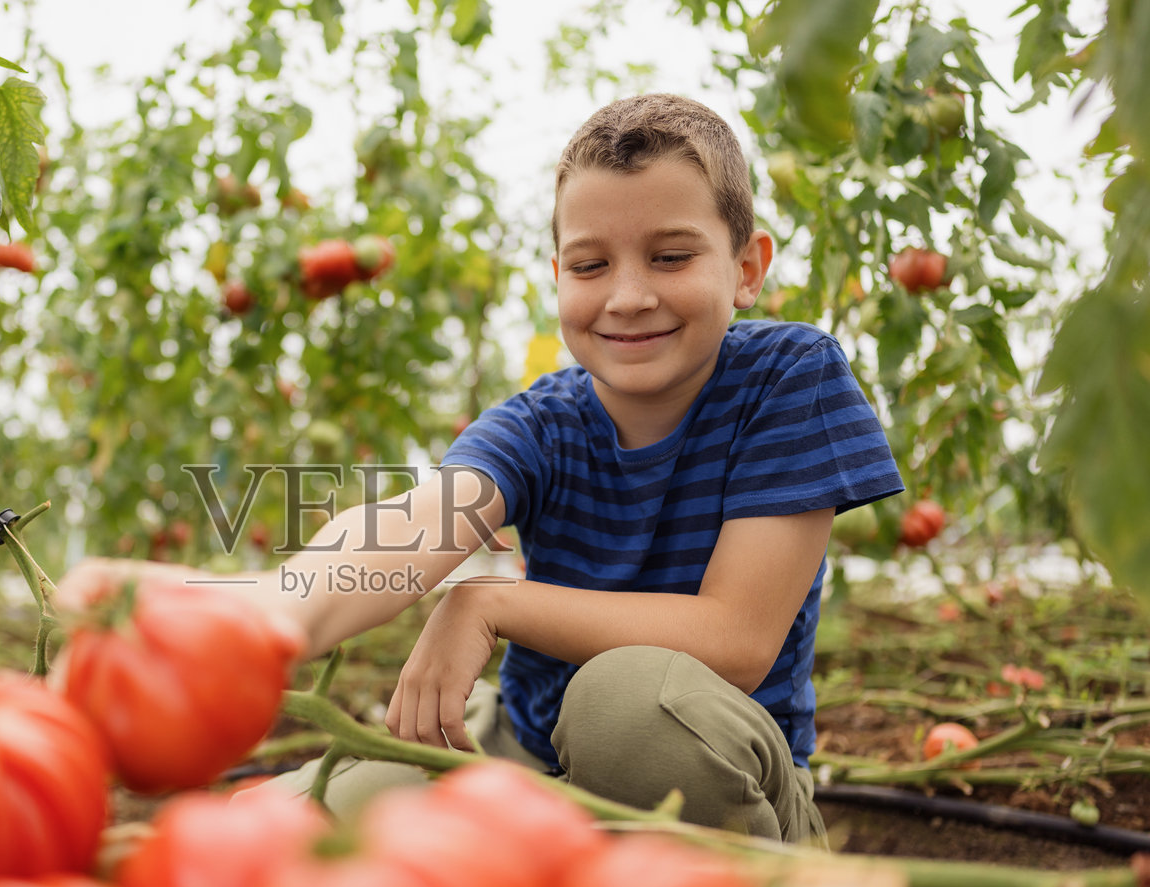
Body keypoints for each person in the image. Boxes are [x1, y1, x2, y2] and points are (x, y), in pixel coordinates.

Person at [60, 92, 903, 843]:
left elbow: (737, 641)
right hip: (525, 759)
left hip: (711, 771)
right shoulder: (542, 420)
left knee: (628, 702)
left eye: (672, 256)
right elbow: (419, 522)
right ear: (558, 276)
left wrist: (493, 600)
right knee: (271, 839)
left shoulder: (790, 378)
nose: (629, 294)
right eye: (591, 264)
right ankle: (540, 878)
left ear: (747, 267)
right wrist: (263, 617)